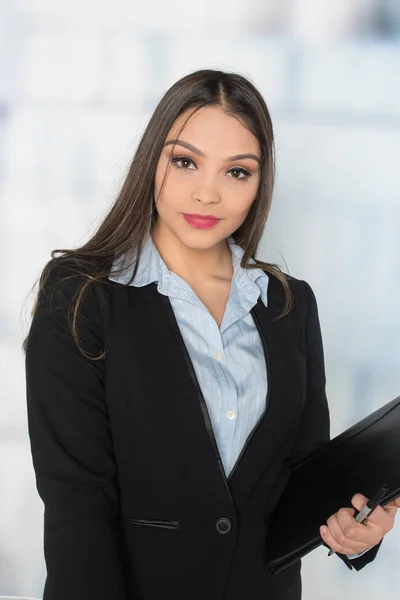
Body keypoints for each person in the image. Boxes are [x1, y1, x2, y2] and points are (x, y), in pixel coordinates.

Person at [23, 69, 399, 600]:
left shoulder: (290, 305)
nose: (206, 194)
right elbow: (77, 503)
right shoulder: (82, 295)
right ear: (153, 161)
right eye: (185, 162)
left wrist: (355, 533)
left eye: (236, 172)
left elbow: (303, 486)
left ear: (259, 183)